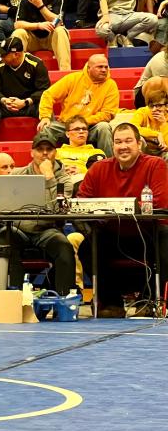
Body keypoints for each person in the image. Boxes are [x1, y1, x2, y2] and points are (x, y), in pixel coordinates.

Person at [76, 122, 168, 317]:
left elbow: (160, 202)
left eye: (128, 141)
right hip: (113, 233)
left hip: (147, 233)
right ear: (112, 145)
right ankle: (111, 304)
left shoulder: (155, 164)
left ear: (139, 144)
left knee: (166, 238)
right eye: (118, 142)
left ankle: (149, 301)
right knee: (87, 246)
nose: (123, 146)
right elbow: (82, 201)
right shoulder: (99, 169)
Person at [0, 131, 77, 296]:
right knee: (5, 237)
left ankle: (63, 302)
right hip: (20, 229)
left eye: (49, 149)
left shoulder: (65, 180)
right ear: (32, 152)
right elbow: (3, 205)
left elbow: (56, 211)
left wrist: (49, 177)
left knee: (65, 247)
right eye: (40, 149)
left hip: (47, 231)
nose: (45, 153)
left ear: (56, 152)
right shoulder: (17, 175)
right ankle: (14, 298)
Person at [37, 53, 117, 155]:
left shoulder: (111, 85)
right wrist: (45, 117)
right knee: (46, 128)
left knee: (104, 127)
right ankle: (46, 164)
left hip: (91, 127)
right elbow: (48, 95)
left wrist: (83, 123)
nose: (104, 70)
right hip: (66, 126)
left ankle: (108, 164)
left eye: (106, 67)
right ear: (89, 68)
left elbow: (108, 114)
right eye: (100, 67)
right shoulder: (72, 78)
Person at [11, 0, 72, 71]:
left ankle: (65, 71)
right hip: (33, 39)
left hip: (51, 39)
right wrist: (38, 25)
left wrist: (40, 6)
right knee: (18, 33)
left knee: (60, 31)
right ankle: (15, 73)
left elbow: (58, 22)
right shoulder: (25, 0)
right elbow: (17, 24)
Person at [0, 36, 51, 124]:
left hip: (30, 105)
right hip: (7, 106)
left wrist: (25, 102)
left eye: (4, 55)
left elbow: (44, 90)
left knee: (46, 107)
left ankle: (47, 137)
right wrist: (4, 100)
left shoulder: (36, 64)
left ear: (16, 54)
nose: (1, 57)